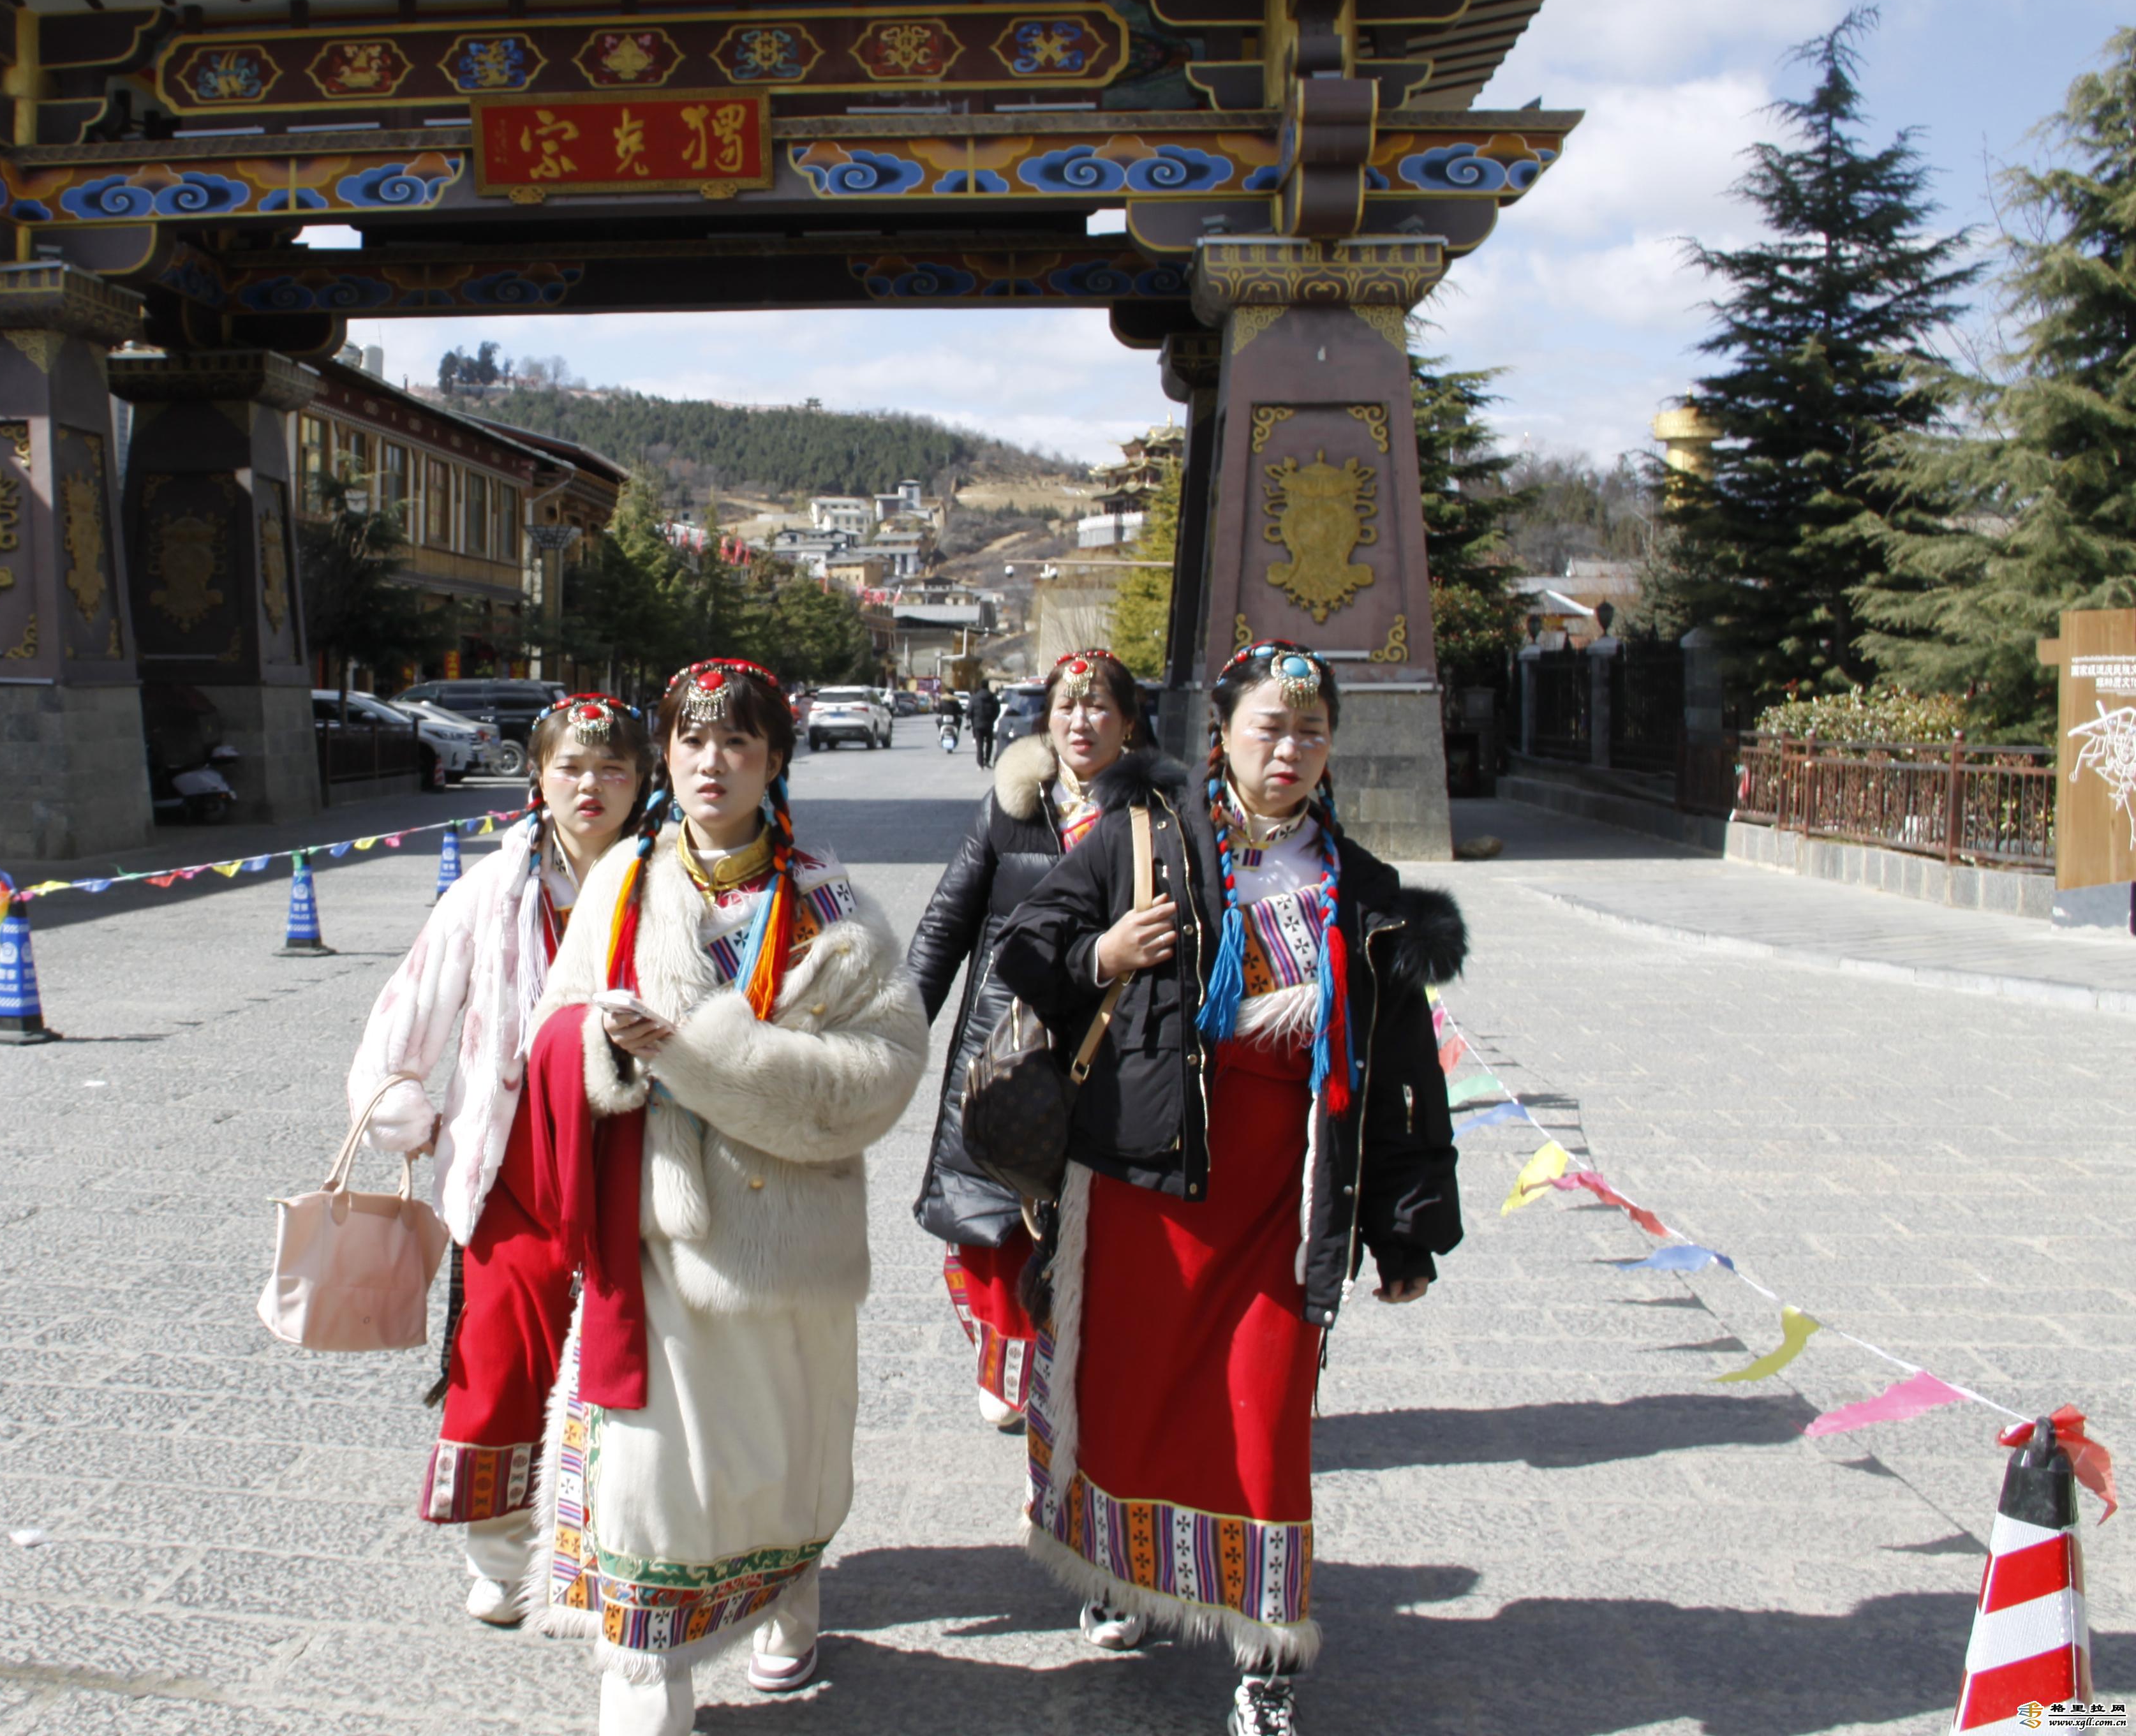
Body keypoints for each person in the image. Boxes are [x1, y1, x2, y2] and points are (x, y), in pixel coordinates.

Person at [989, 641, 1469, 1736]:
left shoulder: (1361, 891)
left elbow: (1403, 1079)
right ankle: (1126, 1575)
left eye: (1310, 731)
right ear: (1223, 733)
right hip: (1143, 1189)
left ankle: (1266, 1658)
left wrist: (1403, 1231)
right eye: (1269, 726)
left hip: (1282, 1206)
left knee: (1265, 1423)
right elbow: (1024, 949)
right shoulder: (1143, 839)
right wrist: (1105, 953)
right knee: (1127, 1400)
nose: (1288, 749)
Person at [521, 657, 926, 1736]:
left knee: (788, 1448)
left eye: (738, 741)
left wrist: (705, 1060)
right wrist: (605, 1045)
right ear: (665, 756)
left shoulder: (830, 900)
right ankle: (645, 1659)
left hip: (793, 1231)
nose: (713, 763)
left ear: (776, 758)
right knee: (654, 1462)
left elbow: (886, 1069)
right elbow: (552, 1029)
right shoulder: (623, 882)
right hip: (663, 1222)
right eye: (692, 741)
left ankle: (789, 1590)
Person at [346, 694, 655, 1626]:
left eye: (613, 769)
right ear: (538, 776)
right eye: (572, 767)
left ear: (643, 781)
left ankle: (621, 1544)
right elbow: (411, 1009)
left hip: (642, 1158)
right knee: (502, 1353)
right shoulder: (493, 888)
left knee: (635, 1357)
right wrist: (404, 1104)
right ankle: (503, 1549)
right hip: (516, 1162)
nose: (591, 786)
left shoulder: (670, 882)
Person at [904, 649, 1171, 1434]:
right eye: (1066, 707)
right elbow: (946, 924)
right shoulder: (1011, 807)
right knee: (995, 1208)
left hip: (1113, 1043)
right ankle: (1009, 1363)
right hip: (1007, 1036)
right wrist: (899, 1028)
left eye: (1099, 708)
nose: (1081, 722)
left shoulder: (1161, 819)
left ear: (1129, 723)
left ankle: (1086, 1369)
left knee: (1096, 1216)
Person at [967, 678, 1000, 768]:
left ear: (980, 686)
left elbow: (969, 710)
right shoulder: (993, 697)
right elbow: (998, 710)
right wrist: (993, 719)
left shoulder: (974, 698)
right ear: (988, 686)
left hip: (977, 725)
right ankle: (987, 761)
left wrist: (971, 719)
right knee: (989, 744)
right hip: (989, 724)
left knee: (980, 745)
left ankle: (980, 764)